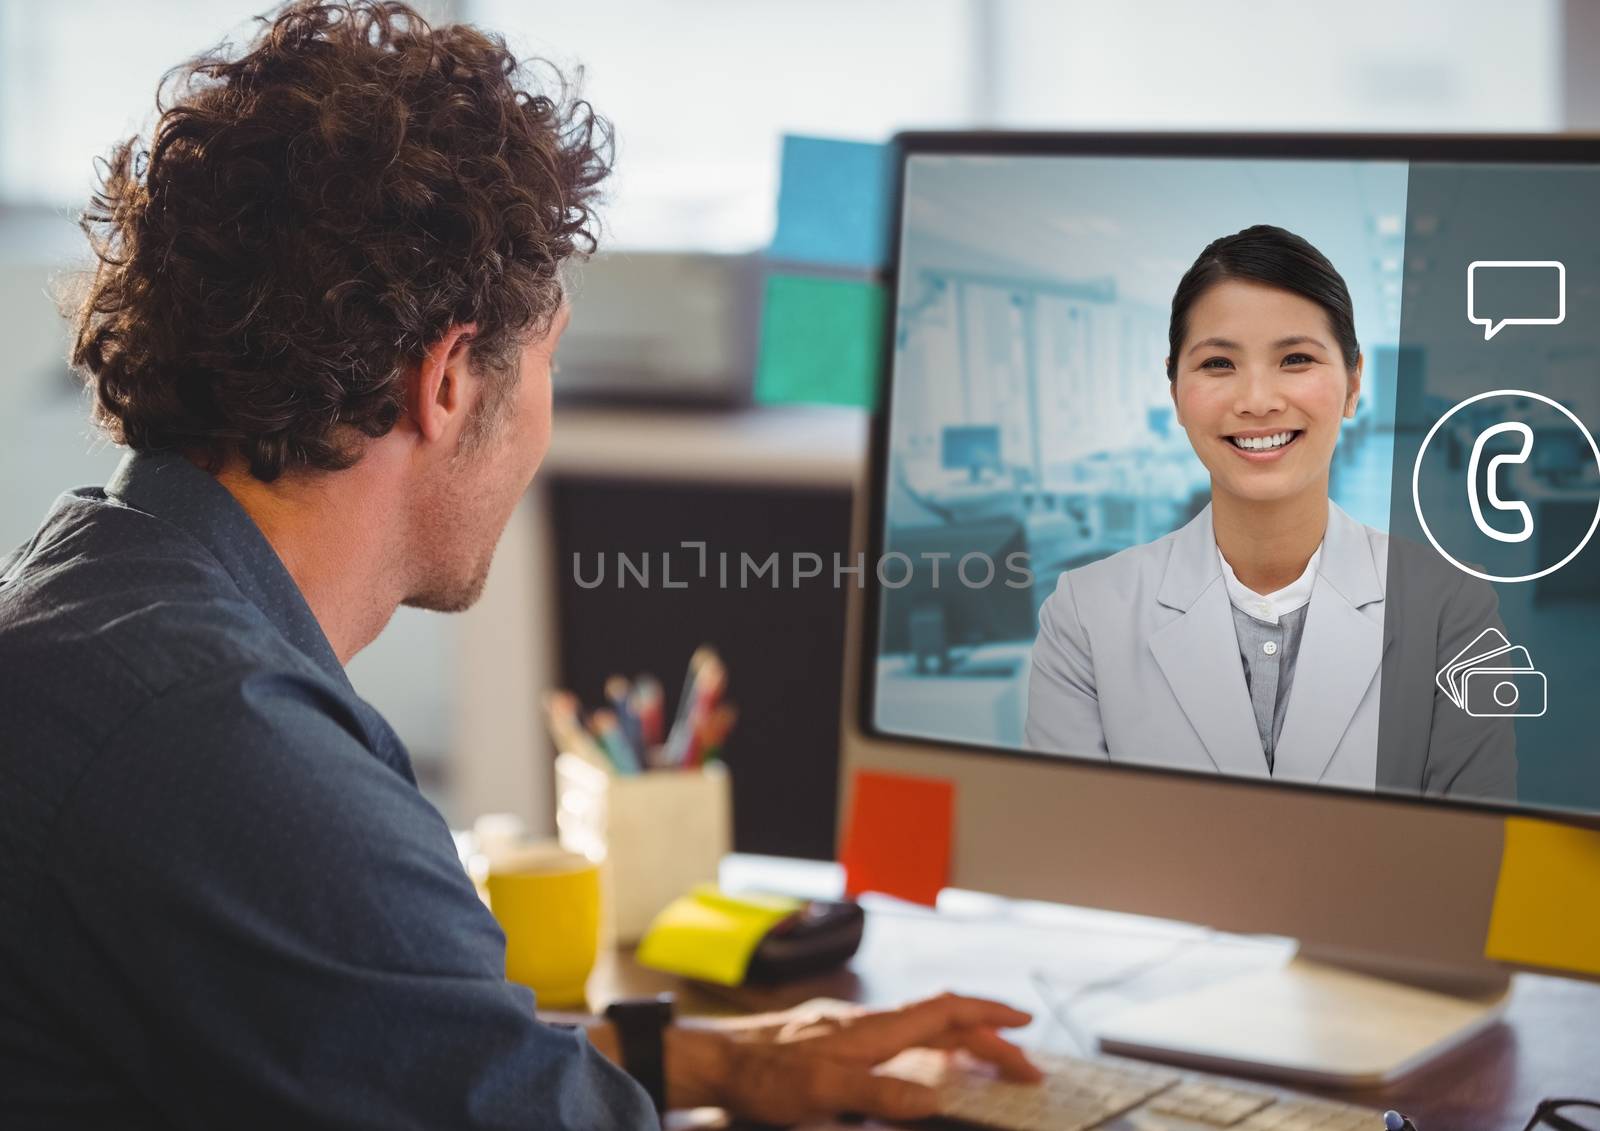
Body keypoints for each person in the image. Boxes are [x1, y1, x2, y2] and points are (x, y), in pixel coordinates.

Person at [0, 3, 1041, 1126]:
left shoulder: (92, 600)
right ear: (448, 382)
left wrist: (723, 1066)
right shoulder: (230, 744)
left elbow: (387, 1037)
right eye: (547, 361)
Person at [1025, 224, 1516, 798]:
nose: (1257, 400)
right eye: (1217, 365)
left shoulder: (1453, 611)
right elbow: (1071, 850)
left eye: (1297, 358)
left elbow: (1473, 861)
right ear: (1175, 390)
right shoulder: (1084, 616)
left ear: (1354, 383)